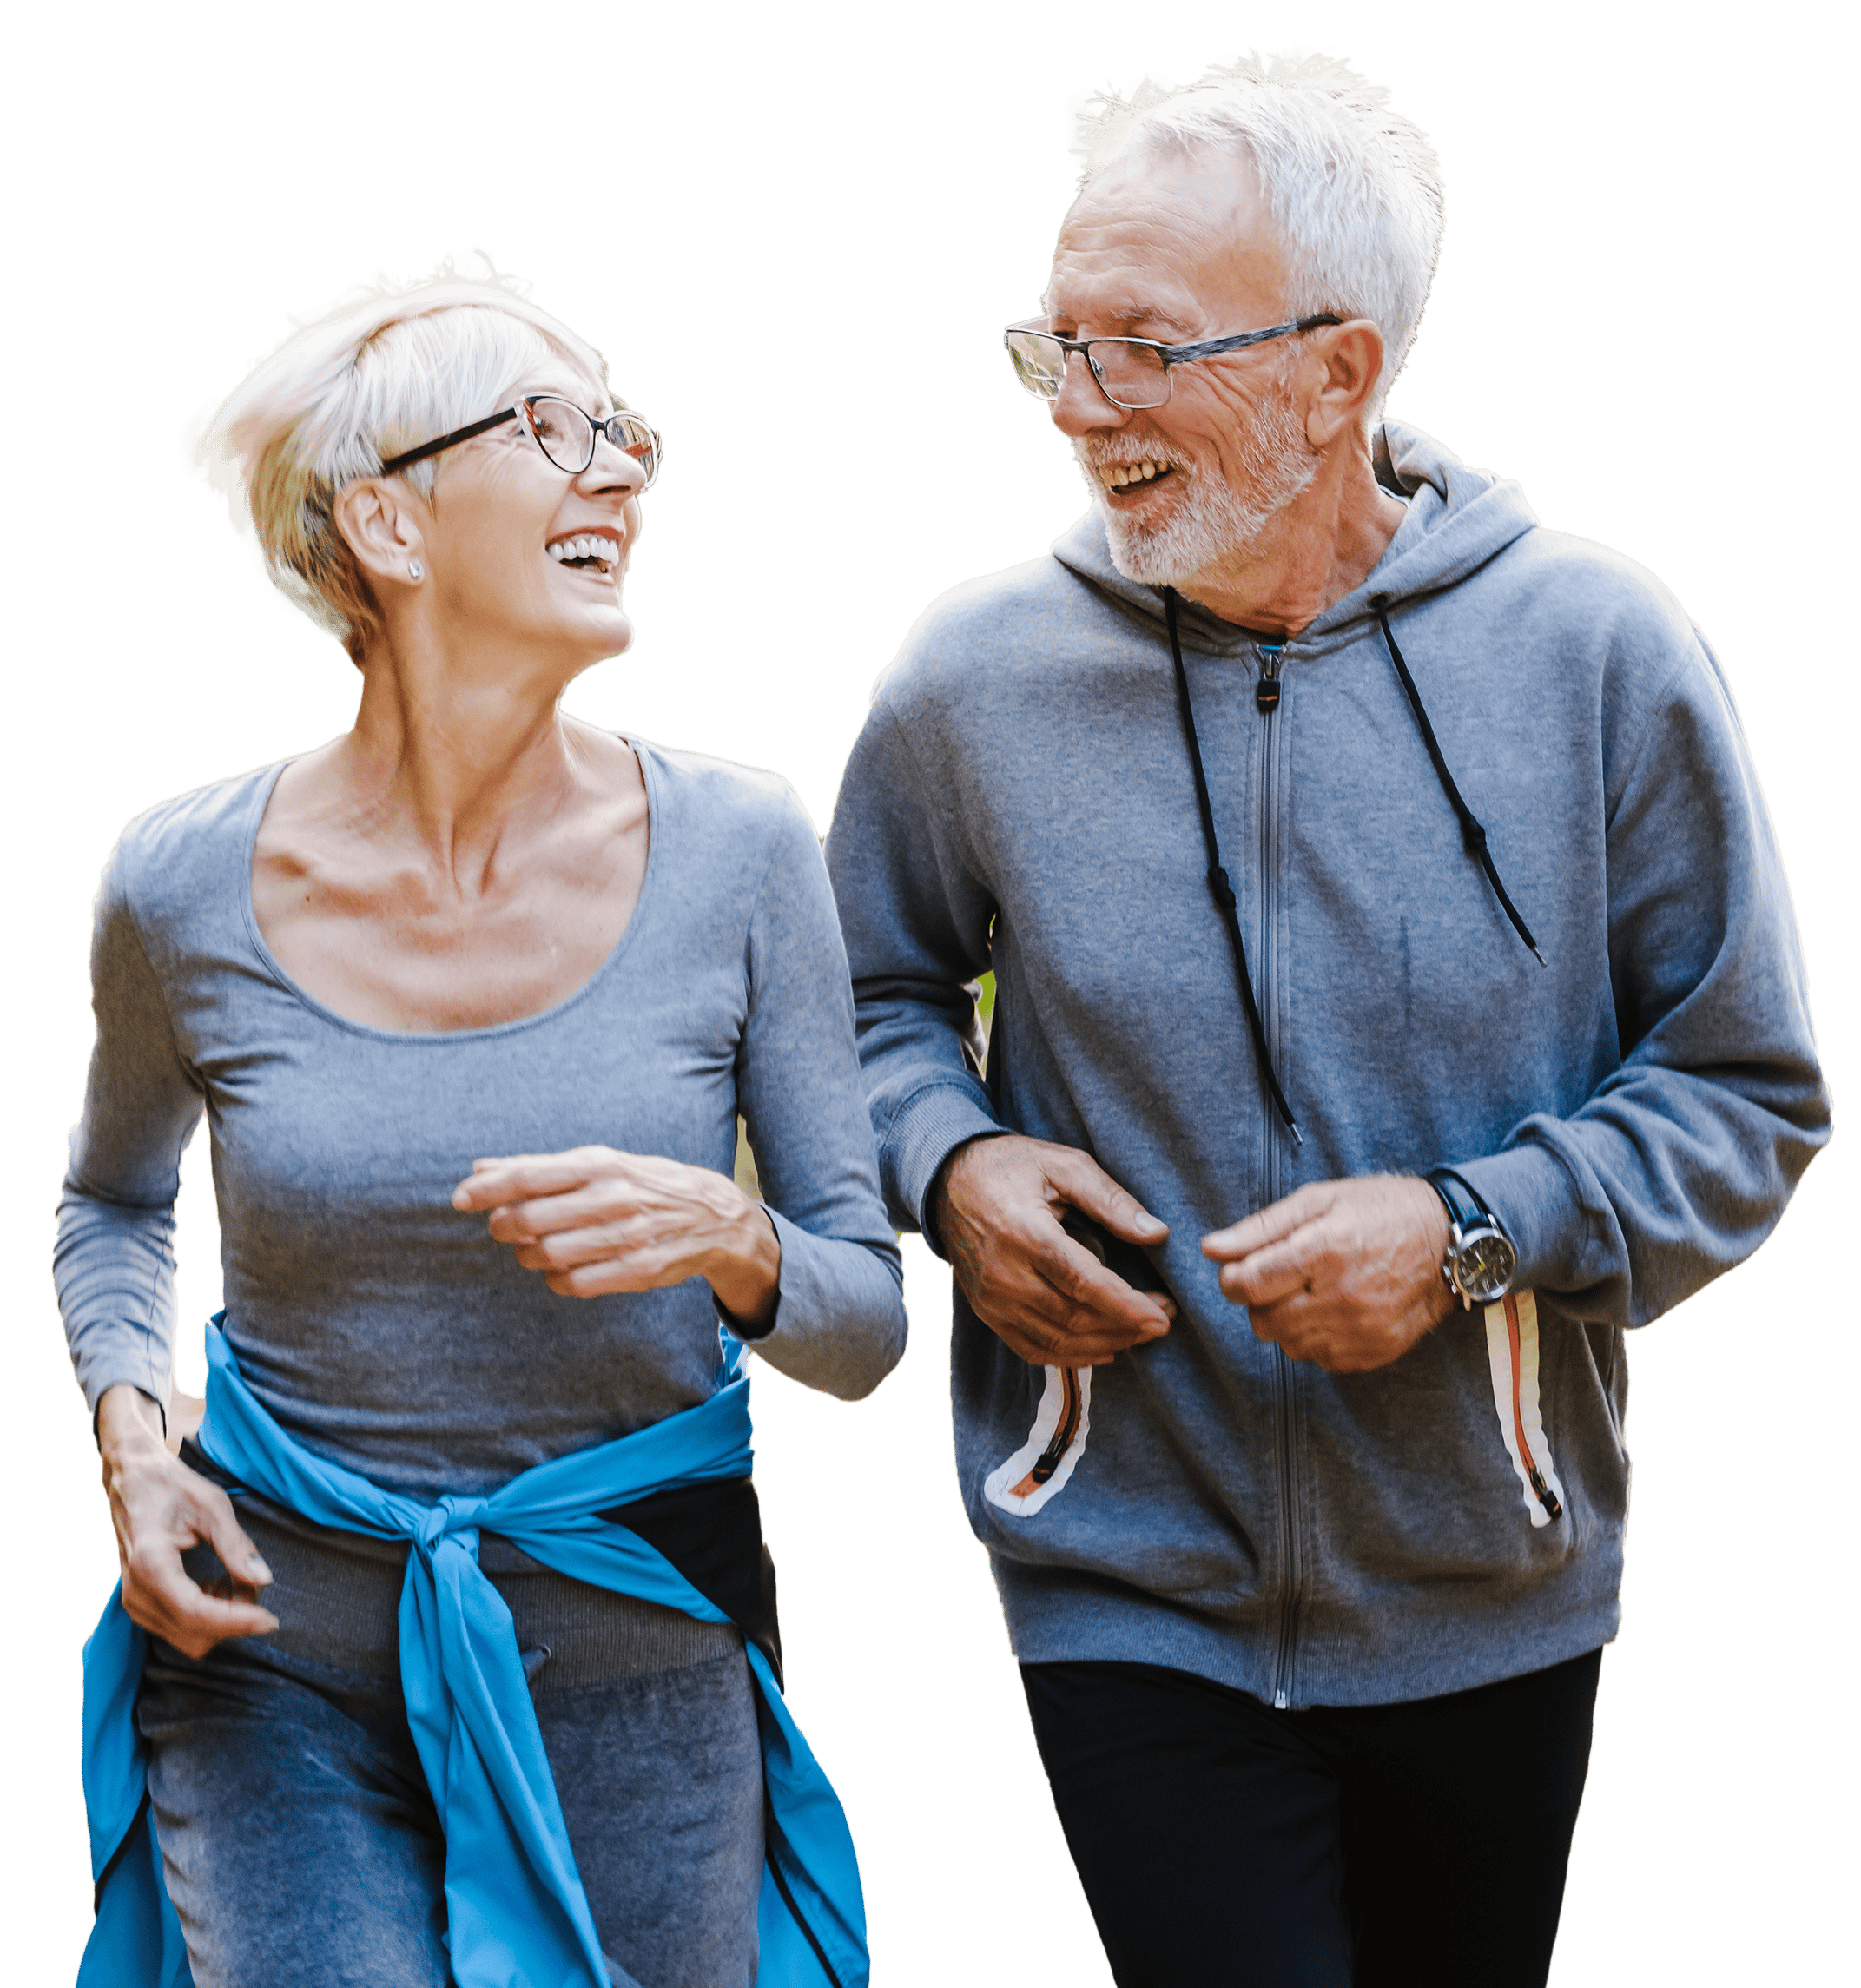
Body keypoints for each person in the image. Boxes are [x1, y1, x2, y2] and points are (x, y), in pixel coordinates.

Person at [822, 49, 1831, 1988]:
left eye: (1143, 348)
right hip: (1120, 1573)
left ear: (1342, 371)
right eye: (1059, 342)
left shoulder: (1604, 653)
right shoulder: (974, 677)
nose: (1083, 406)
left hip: (1499, 1578)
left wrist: (1469, 1232)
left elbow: (1746, 1090)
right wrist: (951, 1167)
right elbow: (858, 1000)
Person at [55, 248, 903, 1988]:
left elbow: (867, 1321)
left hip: (640, 1668)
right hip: (266, 1664)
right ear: (386, 523)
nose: (618, 469)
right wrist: (138, 1447)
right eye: (547, 427)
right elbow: (115, 1204)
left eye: (621, 432)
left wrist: (734, 1238)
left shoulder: (743, 849)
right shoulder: (179, 879)